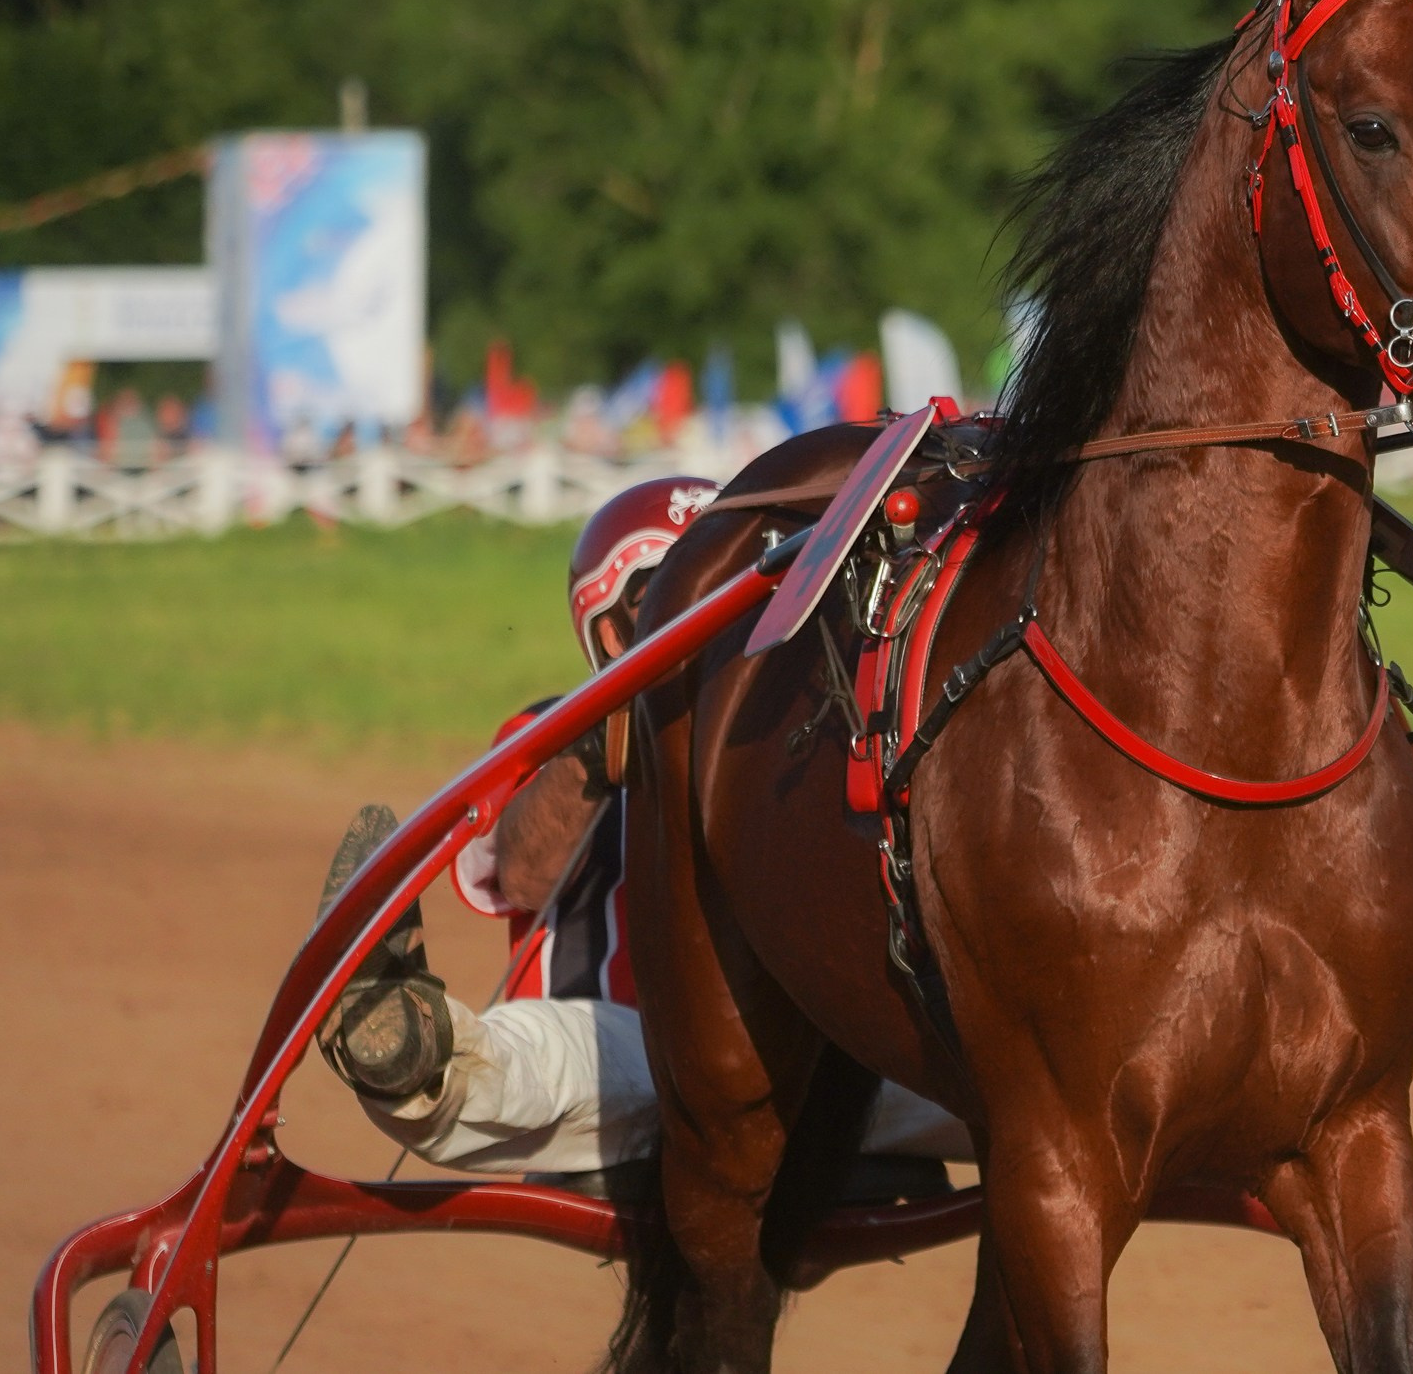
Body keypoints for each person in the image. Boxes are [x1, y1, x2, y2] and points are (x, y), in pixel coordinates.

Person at [315, 475, 968, 1191]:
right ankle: (408, 1049)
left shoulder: (791, 736)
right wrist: (613, 728)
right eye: (667, 588)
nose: (708, 611)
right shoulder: (541, 737)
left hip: (810, 1065)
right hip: (626, 1053)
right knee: (526, 1062)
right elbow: (525, 871)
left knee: (1008, 1066)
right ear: (609, 628)